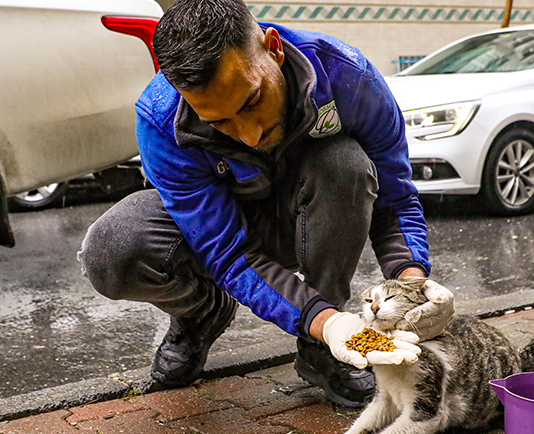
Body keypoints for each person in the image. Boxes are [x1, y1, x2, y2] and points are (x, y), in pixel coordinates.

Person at [78, 0, 443, 408]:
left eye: (251, 101)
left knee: (346, 165)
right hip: (222, 234)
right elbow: (230, 254)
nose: (248, 135)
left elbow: (394, 198)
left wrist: (413, 286)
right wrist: (331, 324)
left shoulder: (347, 78)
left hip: (307, 214)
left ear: (273, 48)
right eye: (220, 122)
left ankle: (321, 351)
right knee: (113, 249)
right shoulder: (162, 122)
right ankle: (202, 311)